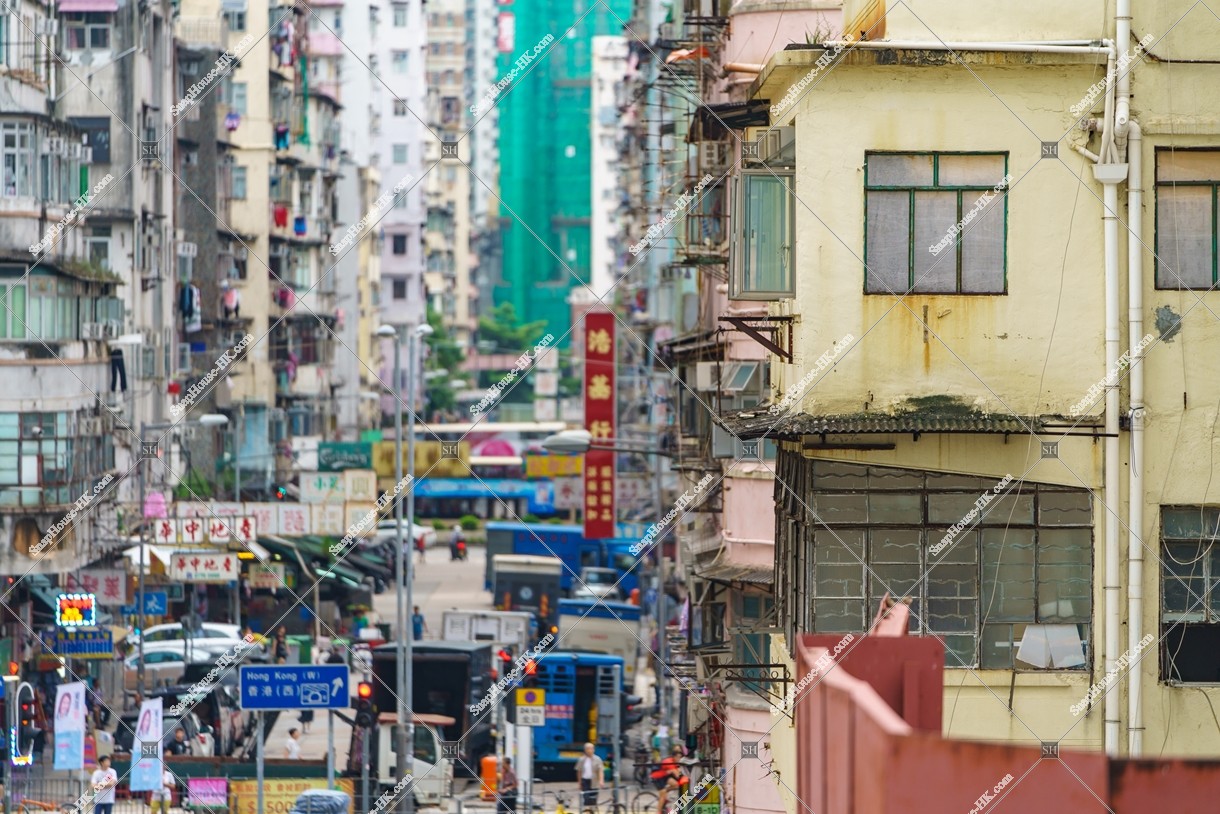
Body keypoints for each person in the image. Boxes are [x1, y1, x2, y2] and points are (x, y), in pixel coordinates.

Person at [654, 747, 688, 814]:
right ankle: (658, 812)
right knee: (662, 796)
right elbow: (677, 775)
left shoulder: (674, 761)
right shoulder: (670, 762)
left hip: (664, 776)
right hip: (657, 777)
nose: (680, 759)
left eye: (680, 757)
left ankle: (666, 790)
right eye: (679, 757)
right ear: (674, 757)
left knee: (676, 785)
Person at [575, 742, 603, 811]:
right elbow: (579, 771)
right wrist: (579, 783)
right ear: (585, 750)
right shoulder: (581, 760)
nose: (590, 750)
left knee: (593, 798)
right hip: (585, 781)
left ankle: (592, 810)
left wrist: (601, 780)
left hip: (594, 781)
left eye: (591, 748)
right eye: (588, 749)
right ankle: (587, 811)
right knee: (586, 798)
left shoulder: (597, 759)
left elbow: (600, 771)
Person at [150, 750, 175, 814]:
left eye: (163, 765)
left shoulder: (169, 774)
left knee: (165, 812)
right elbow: (150, 784)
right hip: (156, 795)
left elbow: (173, 786)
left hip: (166, 795)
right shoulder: (154, 774)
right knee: (153, 811)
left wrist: (165, 784)